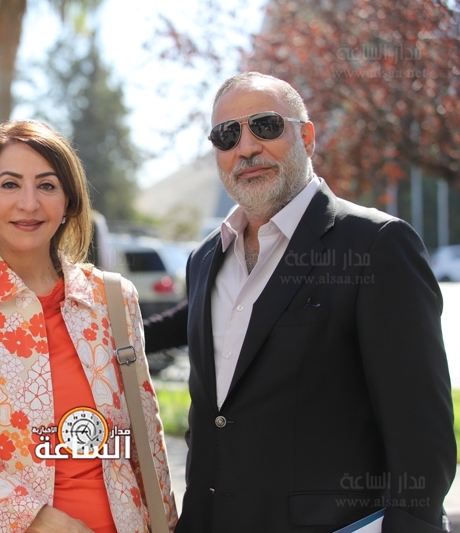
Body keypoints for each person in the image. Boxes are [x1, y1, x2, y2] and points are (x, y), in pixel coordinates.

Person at [155, 71, 455, 532]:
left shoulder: (376, 245)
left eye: (266, 126)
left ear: (307, 137)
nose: (246, 147)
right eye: (227, 135)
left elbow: (421, 434)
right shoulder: (204, 259)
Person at [0, 119, 178, 533]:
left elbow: (144, 439)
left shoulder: (113, 298)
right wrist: (44, 522)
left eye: (47, 185)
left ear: (69, 202)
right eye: (10, 184)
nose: (29, 203)